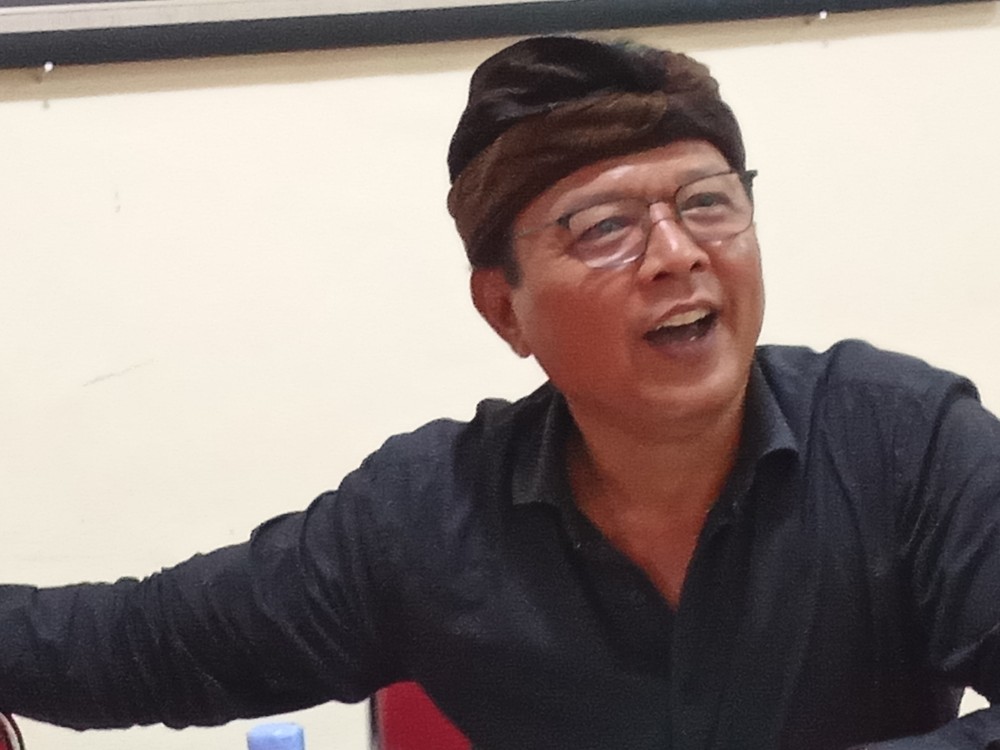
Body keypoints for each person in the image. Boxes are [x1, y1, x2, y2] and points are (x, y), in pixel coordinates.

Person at [1, 34, 999, 750]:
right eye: (604, 226)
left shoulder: (906, 443)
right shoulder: (430, 517)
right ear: (503, 309)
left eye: (708, 202)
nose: (677, 253)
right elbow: (148, 644)